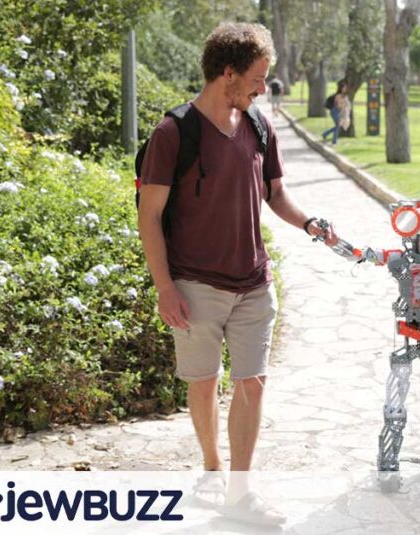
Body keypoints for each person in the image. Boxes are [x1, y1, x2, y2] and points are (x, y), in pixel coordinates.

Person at [137, 22, 340, 527]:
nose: (262, 88)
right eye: (257, 77)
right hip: (195, 285)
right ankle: (212, 465)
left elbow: (275, 195)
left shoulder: (258, 126)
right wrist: (164, 288)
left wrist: (311, 223)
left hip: (254, 282)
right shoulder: (173, 133)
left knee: (253, 384)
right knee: (204, 384)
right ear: (226, 73)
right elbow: (148, 215)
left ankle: (239, 491)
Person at [321, 81, 350, 145]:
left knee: (338, 126)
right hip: (334, 111)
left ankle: (325, 134)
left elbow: (345, 105)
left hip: (338, 112)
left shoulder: (344, 96)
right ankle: (333, 141)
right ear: (341, 88)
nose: (345, 89)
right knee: (338, 126)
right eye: (344, 88)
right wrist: (344, 104)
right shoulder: (338, 96)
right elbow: (339, 106)